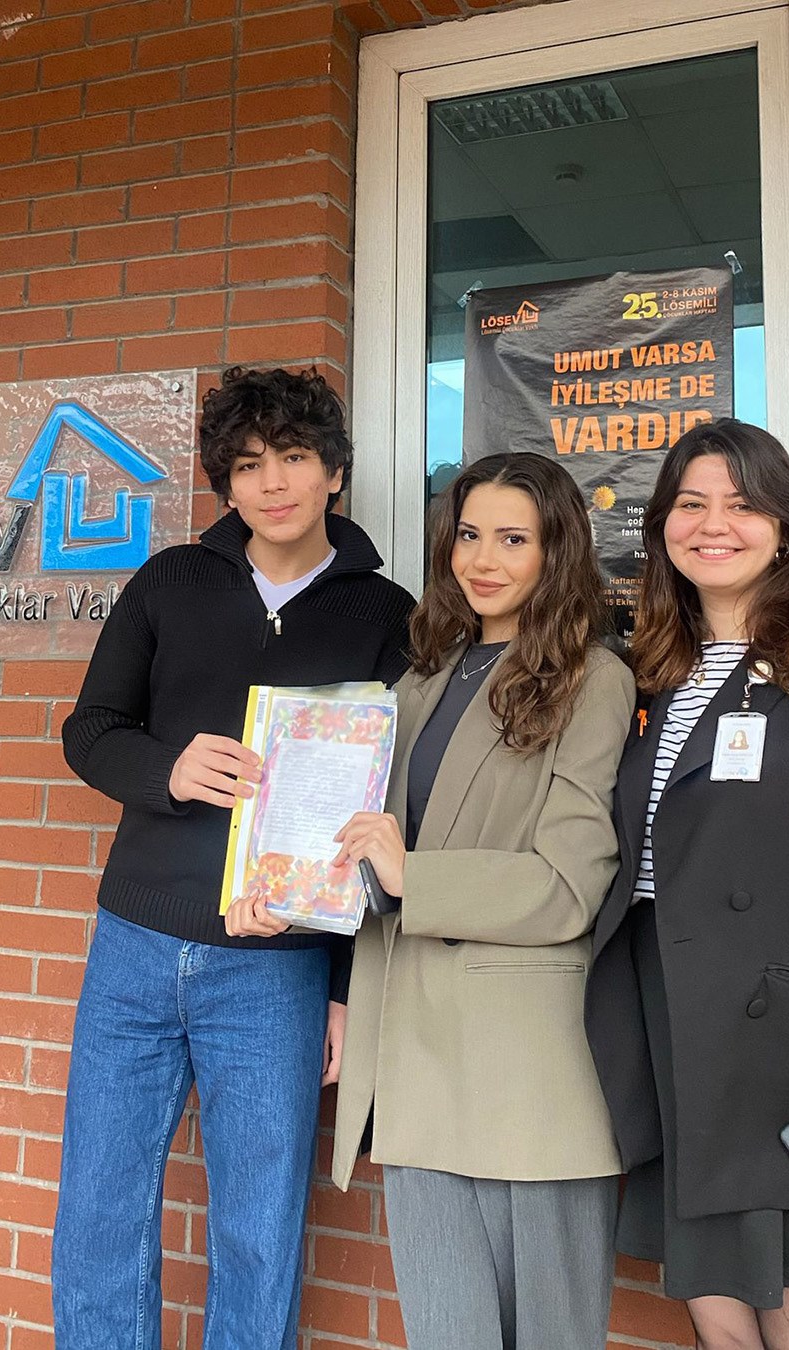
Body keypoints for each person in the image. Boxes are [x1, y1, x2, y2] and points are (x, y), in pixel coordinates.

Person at [52, 366, 415, 1350]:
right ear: (226, 482)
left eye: (294, 457)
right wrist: (167, 768)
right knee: (99, 1214)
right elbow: (90, 730)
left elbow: (390, 812)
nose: (273, 483)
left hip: (278, 966)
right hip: (135, 942)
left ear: (334, 471)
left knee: (258, 1234)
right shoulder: (170, 581)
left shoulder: (386, 616)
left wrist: (344, 987)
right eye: (248, 465)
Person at [327, 452, 635, 1350]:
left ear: (556, 552)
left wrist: (414, 876)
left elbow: (568, 884)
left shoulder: (594, 679)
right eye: (468, 534)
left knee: (549, 1336)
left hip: (524, 1071)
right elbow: (366, 854)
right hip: (414, 1058)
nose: (483, 559)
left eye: (513, 539)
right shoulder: (422, 678)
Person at [584, 419, 789, 1350]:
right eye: (691, 504)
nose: (714, 525)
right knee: (725, 1334)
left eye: (742, 505)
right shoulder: (654, 670)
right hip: (681, 1048)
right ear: (661, 527)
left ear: (786, 526)